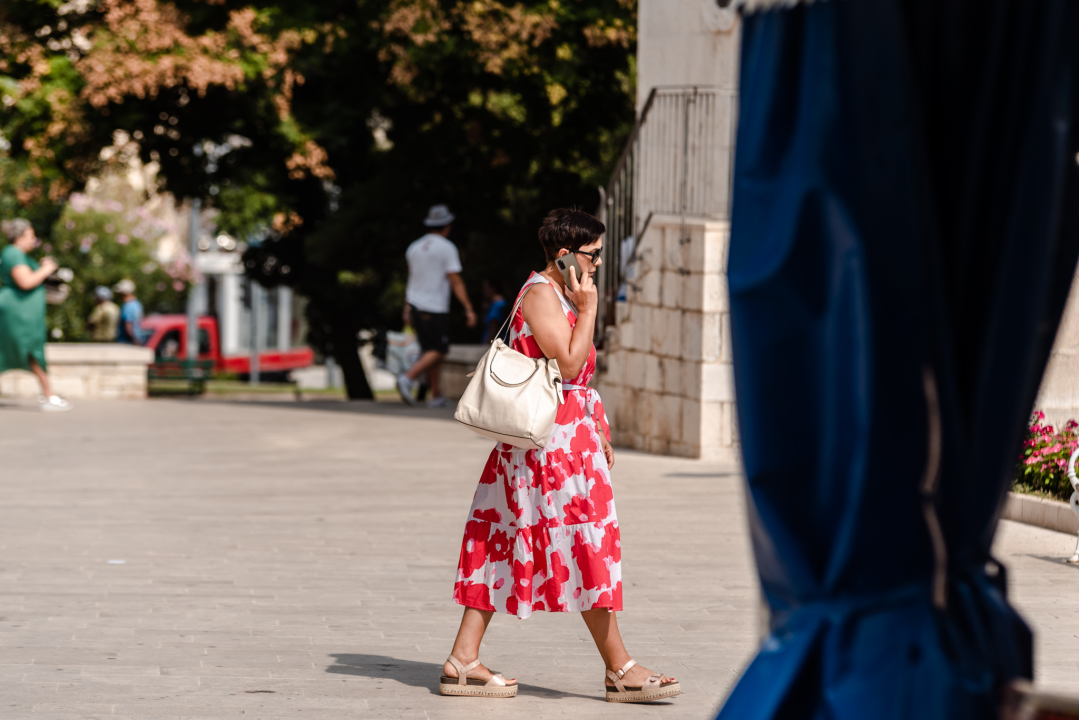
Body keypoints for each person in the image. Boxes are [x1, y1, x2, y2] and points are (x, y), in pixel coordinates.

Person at [440, 209, 680, 703]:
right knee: (583, 547)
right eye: (592, 255)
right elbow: (568, 362)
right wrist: (589, 307)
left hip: (565, 443)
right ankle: (621, 669)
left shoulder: (560, 293)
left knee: (513, 542)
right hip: (547, 451)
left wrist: (596, 426)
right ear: (566, 254)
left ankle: (463, 661)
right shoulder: (541, 295)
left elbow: (576, 381)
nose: (597, 265)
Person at [397, 205, 476, 408]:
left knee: (429, 351)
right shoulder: (446, 248)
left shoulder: (414, 247)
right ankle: (408, 378)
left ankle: (436, 395)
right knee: (440, 350)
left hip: (415, 304)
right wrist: (468, 307)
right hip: (435, 307)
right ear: (447, 226)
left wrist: (407, 307)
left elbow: (412, 279)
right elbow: (455, 280)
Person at [0, 219, 72, 412]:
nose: (34, 240)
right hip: (18, 314)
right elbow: (25, 281)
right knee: (31, 349)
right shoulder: (13, 253)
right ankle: (49, 395)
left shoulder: (16, 254)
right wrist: (46, 269)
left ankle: (49, 394)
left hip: (22, 312)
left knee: (21, 350)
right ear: (20, 237)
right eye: (31, 236)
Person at [114, 279, 144, 345]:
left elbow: (128, 325)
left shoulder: (127, 306)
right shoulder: (137, 304)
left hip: (126, 342)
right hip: (135, 339)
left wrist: (134, 340)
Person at [479, 277, 508, 344]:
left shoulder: (497, 305)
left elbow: (494, 329)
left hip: (495, 345)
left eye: (486, 287)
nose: (484, 290)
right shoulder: (495, 304)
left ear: (493, 288)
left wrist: (486, 345)